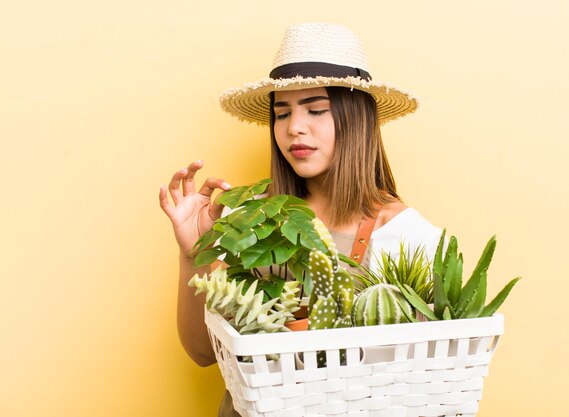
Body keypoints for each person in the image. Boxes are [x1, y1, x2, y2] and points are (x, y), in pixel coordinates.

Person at [159, 22, 443, 416]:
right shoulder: (248, 218)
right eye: (282, 113)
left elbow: (421, 383)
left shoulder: (406, 236)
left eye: (316, 110)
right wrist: (195, 254)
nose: (294, 127)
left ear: (356, 119)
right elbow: (203, 352)